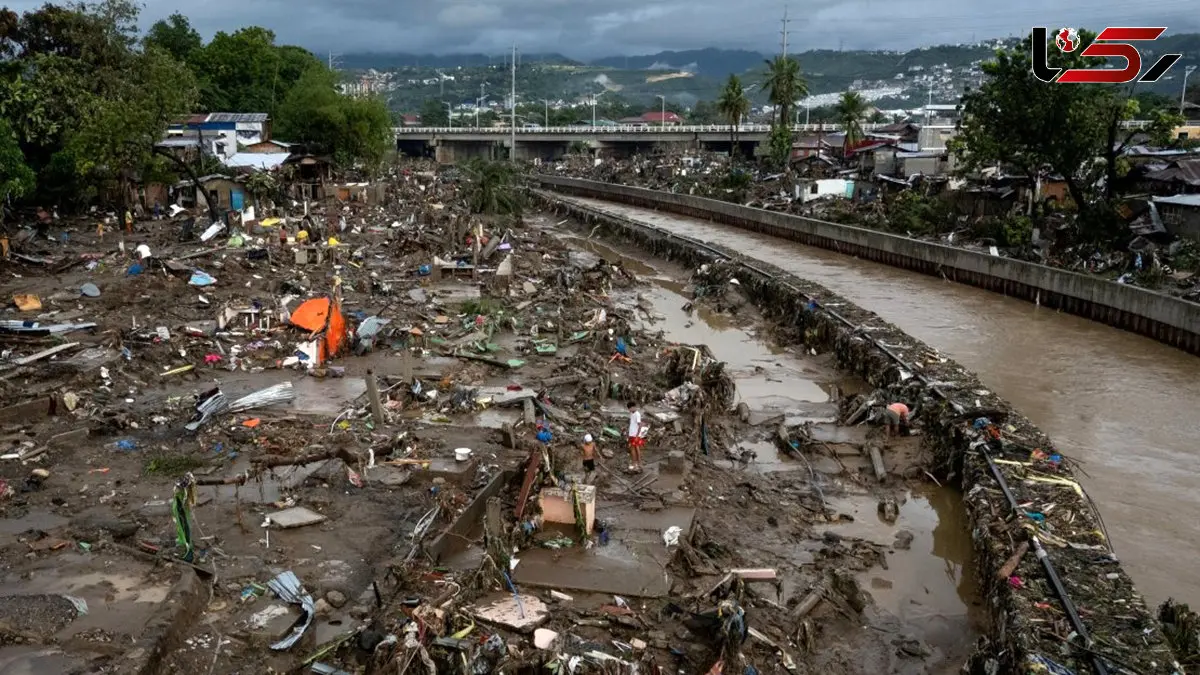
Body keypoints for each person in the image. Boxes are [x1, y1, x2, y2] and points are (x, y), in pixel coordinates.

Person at [626, 401, 645, 472]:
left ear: (633, 407)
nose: (629, 410)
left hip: (634, 435)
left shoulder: (637, 414)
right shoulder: (632, 413)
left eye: (630, 408)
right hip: (632, 434)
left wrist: (637, 435)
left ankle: (635, 464)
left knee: (633, 449)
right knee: (635, 449)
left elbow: (640, 425)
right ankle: (638, 464)